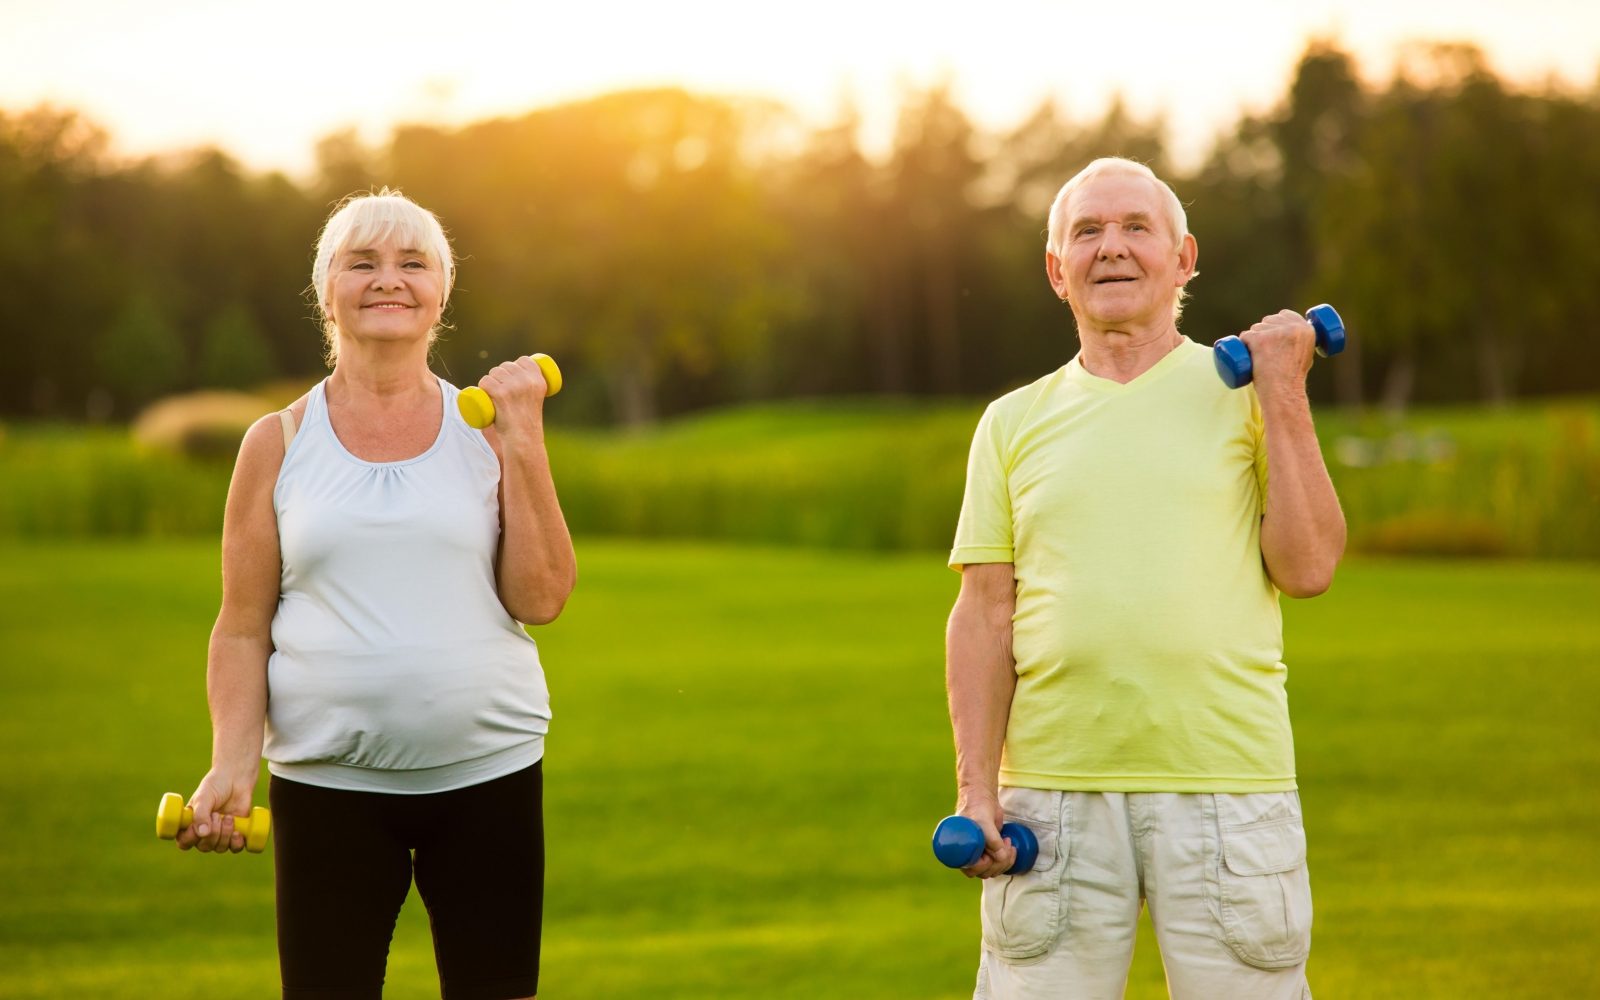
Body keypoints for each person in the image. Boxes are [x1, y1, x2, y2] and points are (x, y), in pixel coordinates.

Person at [945, 157, 1344, 999]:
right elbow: (983, 615)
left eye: (1135, 228)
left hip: (1226, 789)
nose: (1111, 248)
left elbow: (1309, 568)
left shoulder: (1247, 393)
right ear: (1057, 271)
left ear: (1183, 258)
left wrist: (1283, 390)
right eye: (1086, 232)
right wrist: (978, 792)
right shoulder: (1011, 423)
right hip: (1049, 803)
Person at [175, 188, 576, 1000]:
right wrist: (230, 762)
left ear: (441, 293)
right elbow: (243, 627)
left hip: (489, 778)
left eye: (412, 264)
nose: (388, 280)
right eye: (363, 263)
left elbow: (541, 597)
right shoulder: (276, 442)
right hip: (328, 792)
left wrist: (522, 439)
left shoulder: (491, 429)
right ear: (327, 292)